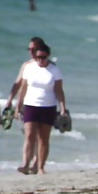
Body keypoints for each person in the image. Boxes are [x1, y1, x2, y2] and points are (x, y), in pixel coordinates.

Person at [16, 43, 67, 175]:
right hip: (30, 105)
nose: (40, 60)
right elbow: (23, 88)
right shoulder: (29, 68)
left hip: (48, 107)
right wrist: (18, 105)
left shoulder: (54, 70)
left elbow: (59, 91)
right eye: (38, 57)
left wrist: (62, 108)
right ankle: (26, 165)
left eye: (43, 57)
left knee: (43, 138)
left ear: (48, 56)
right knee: (29, 136)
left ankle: (40, 168)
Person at [4, 36, 47, 171]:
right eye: (29, 49)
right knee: (29, 135)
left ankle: (36, 164)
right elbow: (18, 83)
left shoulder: (48, 66)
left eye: (33, 49)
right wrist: (11, 100)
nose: (30, 51)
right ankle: (26, 163)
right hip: (26, 104)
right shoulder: (26, 65)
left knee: (40, 136)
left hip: (43, 104)